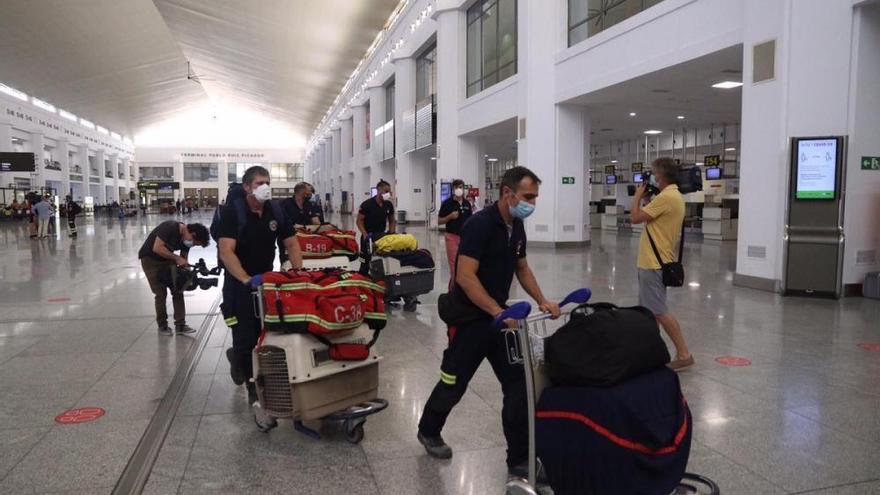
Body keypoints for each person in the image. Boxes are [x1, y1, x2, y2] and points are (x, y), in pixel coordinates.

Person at [417, 166, 561, 481]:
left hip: (499, 319)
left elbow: (521, 266)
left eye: (535, 196)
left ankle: (520, 459)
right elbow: (466, 277)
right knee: (453, 383)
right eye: (528, 196)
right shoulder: (479, 225)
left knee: (519, 386)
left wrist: (542, 300)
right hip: (470, 317)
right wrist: (498, 311)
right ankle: (428, 429)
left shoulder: (516, 224)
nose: (532, 202)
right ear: (508, 193)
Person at [218, 165, 303, 417]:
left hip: (267, 280)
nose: (265, 187)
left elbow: (291, 243)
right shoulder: (234, 212)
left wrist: (298, 272)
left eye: (267, 182)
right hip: (239, 283)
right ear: (247, 187)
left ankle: (267, 376)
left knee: (268, 334)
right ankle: (251, 384)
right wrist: (245, 279)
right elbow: (226, 251)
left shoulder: (276, 210)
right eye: (259, 183)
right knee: (245, 338)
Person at [631, 157, 693, 370]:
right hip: (655, 261)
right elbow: (653, 219)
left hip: (653, 263)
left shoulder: (667, 197)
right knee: (650, 312)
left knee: (659, 312)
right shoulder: (672, 196)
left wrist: (638, 196)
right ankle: (652, 351)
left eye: (654, 173)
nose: (652, 178)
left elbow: (635, 217)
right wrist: (649, 199)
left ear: (660, 175)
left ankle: (684, 353)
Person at [138, 220, 210, 335]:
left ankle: (180, 325)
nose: (192, 245)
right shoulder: (170, 227)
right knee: (161, 293)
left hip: (166, 259)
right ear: (193, 234)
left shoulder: (187, 241)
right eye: (195, 243)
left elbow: (184, 258)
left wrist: (188, 276)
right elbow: (157, 248)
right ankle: (162, 326)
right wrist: (176, 259)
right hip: (149, 259)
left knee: (178, 289)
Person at [438, 179, 473, 290]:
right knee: (454, 266)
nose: (459, 190)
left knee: (464, 265)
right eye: (456, 187)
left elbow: (470, 220)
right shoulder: (447, 203)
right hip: (452, 237)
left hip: (465, 237)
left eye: (461, 187)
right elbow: (439, 221)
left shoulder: (467, 204)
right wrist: (450, 217)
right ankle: (454, 291)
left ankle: (457, 288)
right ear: (453, 189)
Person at [357, 179, 396, 244]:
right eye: (386, 191)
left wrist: (391, 233)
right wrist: (364, 234)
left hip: (382, 236)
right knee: (367, 253)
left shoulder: (388, 204)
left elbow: (392, 220)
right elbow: (359, 221)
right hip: (368, 236)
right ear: (378, 189)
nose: (388, 194)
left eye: (389, 192)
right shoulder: (366, 204)